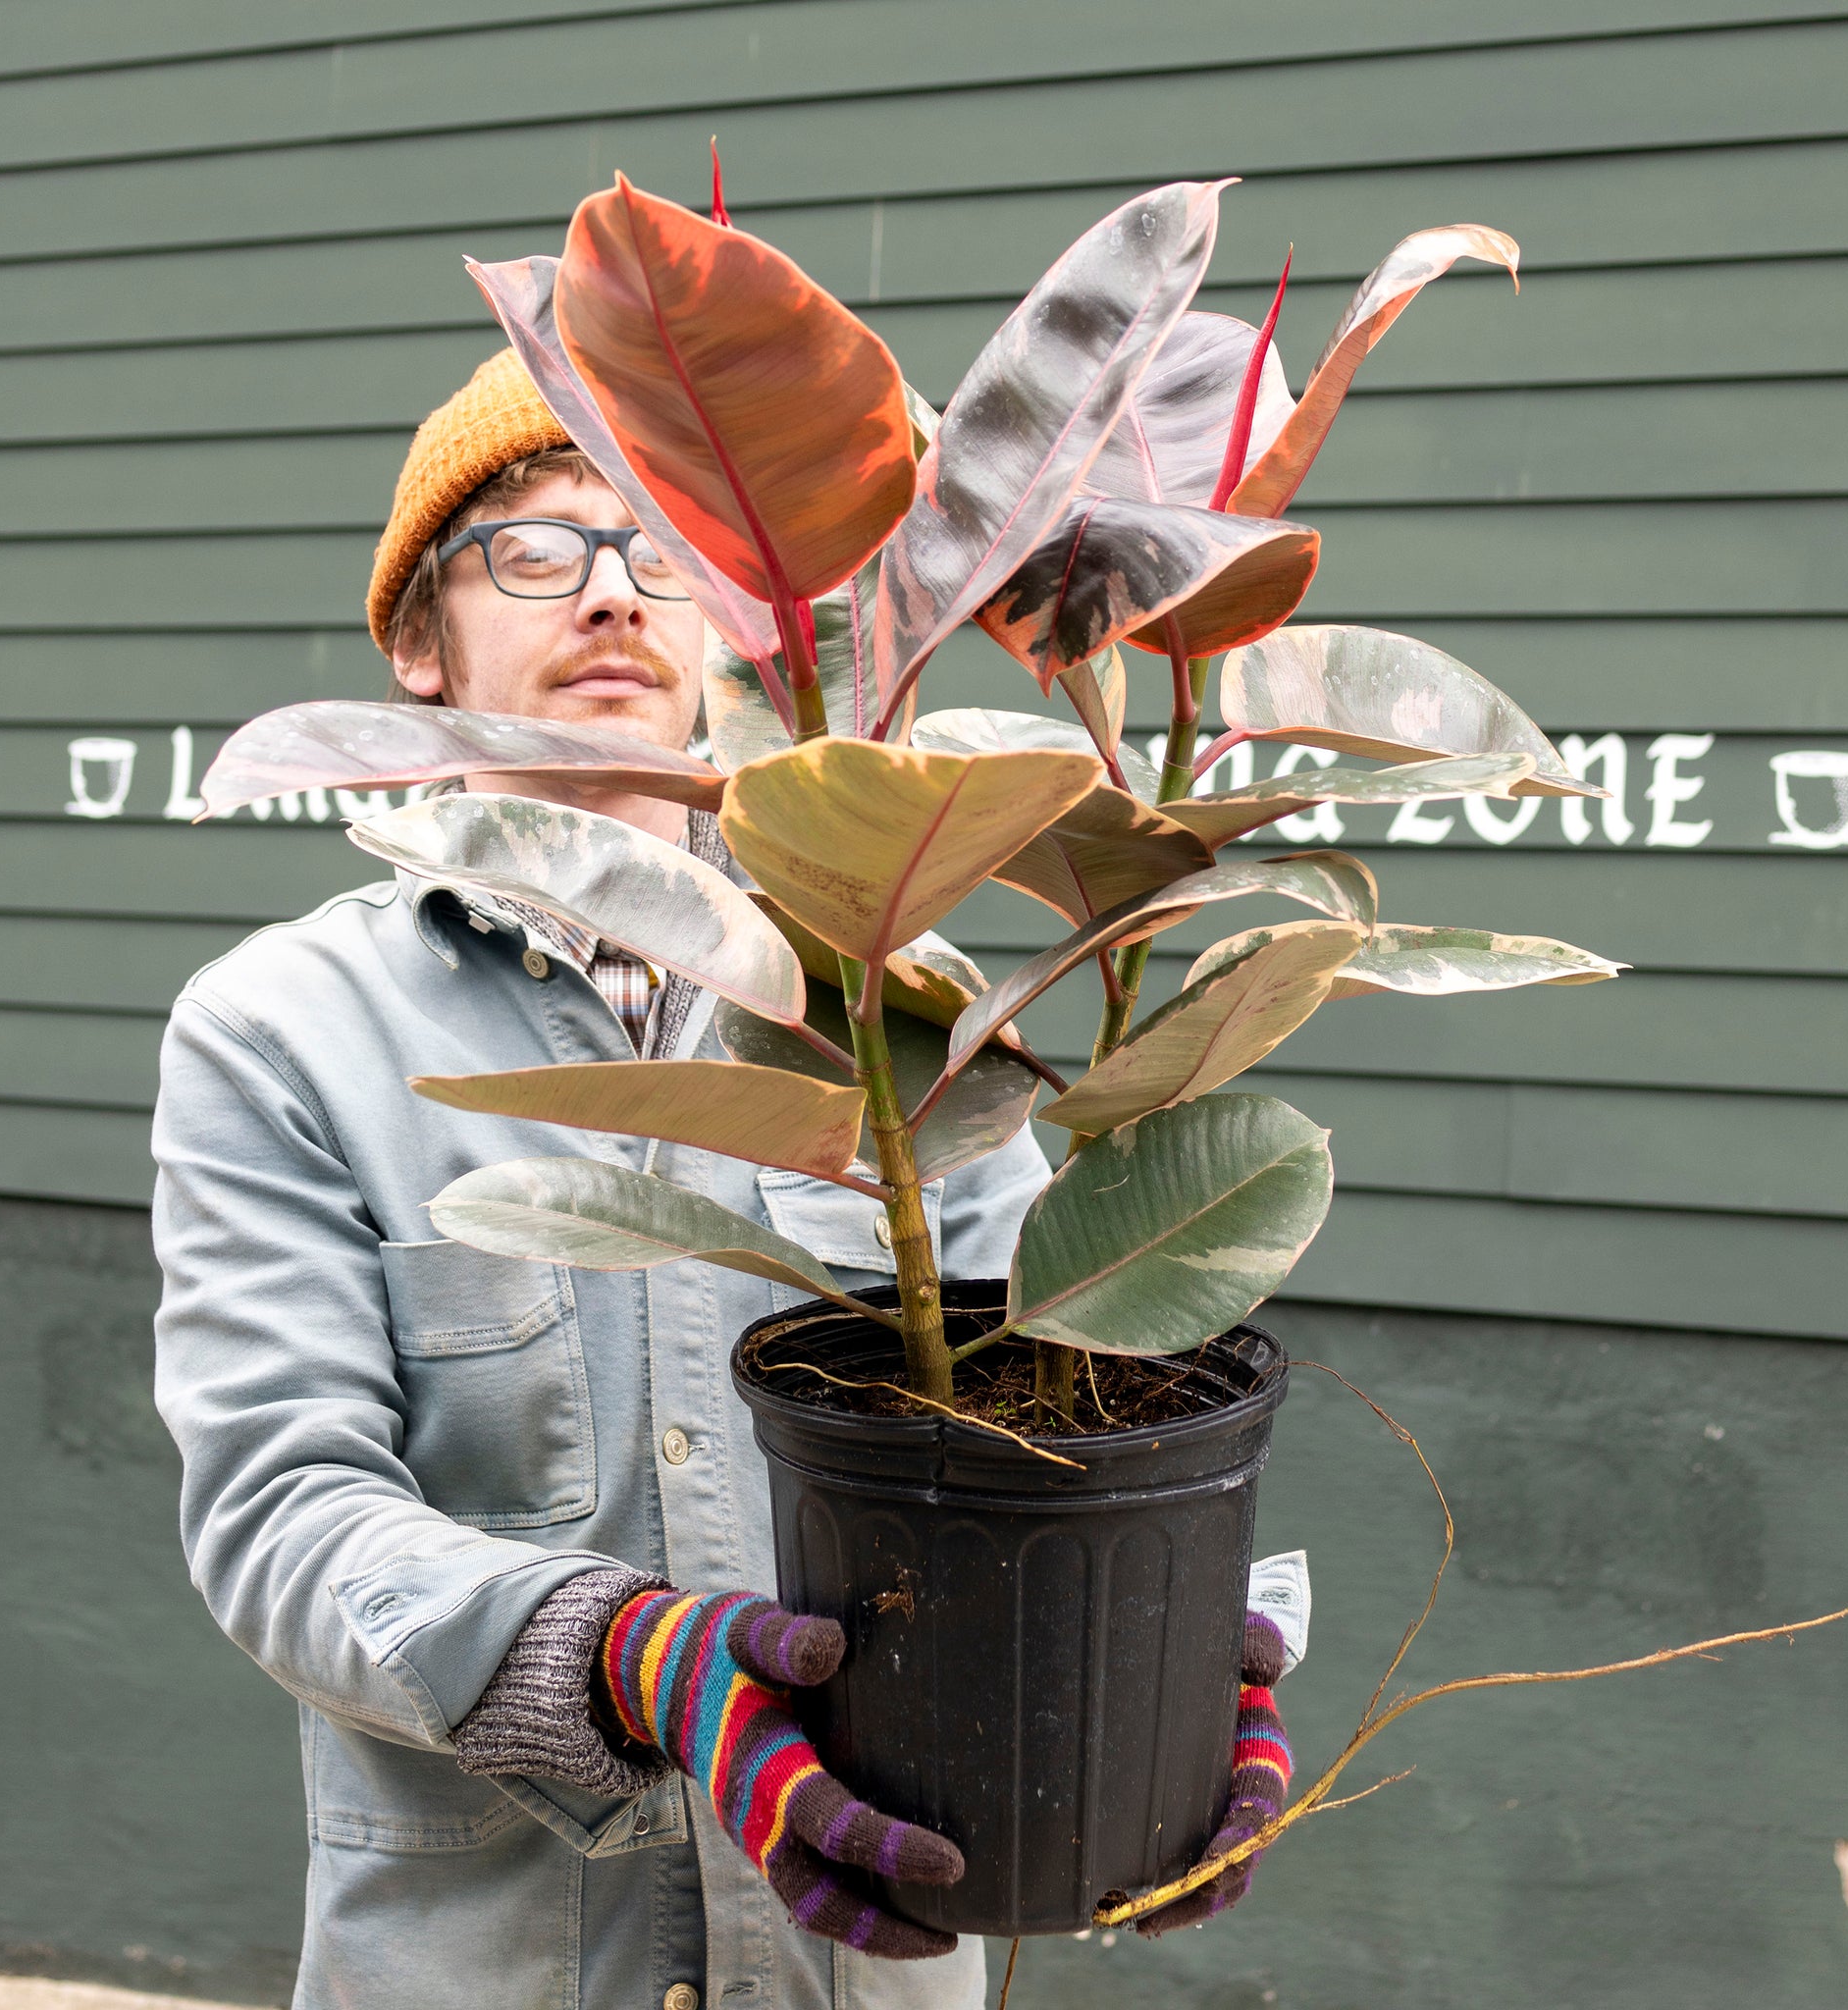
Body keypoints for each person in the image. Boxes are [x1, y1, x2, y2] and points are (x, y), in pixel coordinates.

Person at [152, 349, 1300, 2010]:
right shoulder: (282, 1032)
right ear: (417, 643)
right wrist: (632, 1661)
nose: (614, 597)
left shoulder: (894, 997)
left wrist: (1201, 1655)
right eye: (536, 551)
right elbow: (279, 1519)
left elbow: (1078, 1387)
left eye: (662, 553)